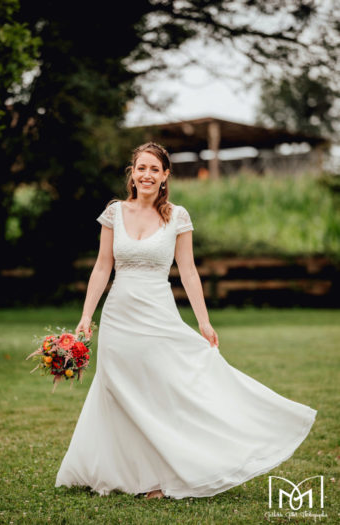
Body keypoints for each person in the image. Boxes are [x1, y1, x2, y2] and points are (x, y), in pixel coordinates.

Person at [55, 141, 317, 500]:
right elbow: (103, 266)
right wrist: (86, 315)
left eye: (154, 169)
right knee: (118, 389)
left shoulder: (177, 216)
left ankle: (167, 474)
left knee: (160, 389)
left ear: (165, 177)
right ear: (132, 173)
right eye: (140, 168)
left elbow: (189, 271)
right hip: (119, 316)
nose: (146, 175)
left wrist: (204, 322)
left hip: (158, 314)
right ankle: (127, 473)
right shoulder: (114, 212)